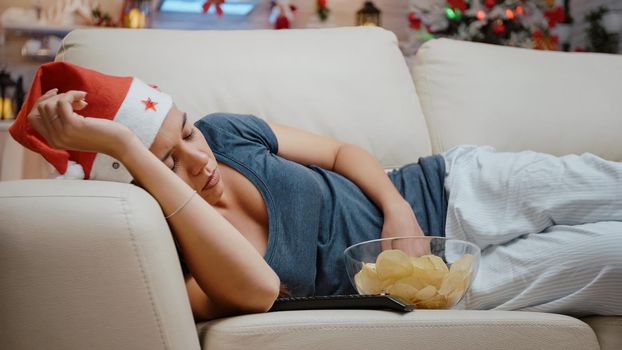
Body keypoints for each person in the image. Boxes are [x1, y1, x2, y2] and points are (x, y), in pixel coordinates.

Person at [10, 62, 622, 322]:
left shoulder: (228, 133)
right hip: (450, 282)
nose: (199, 159)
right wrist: (125, 149)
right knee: (612, 256)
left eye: (188, 132)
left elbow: (338, 153)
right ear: (143, 176)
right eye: (167, 158)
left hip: (446, 186)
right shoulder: (174, 256)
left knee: (605, 186)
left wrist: (398, 206)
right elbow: (259, 289)